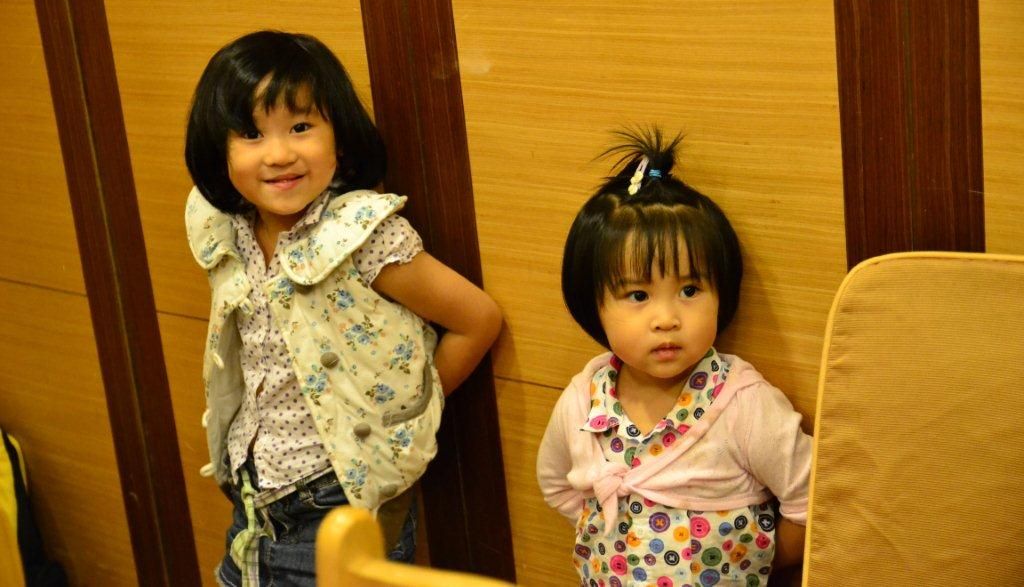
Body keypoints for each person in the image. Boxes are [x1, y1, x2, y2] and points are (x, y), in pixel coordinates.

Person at [184, 30, 502, 587]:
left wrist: (404, 417)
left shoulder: (360, 235)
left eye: (300, 127)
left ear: (341, 139)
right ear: (219, 148)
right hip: (256, 497)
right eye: (251, 134)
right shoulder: (227, 229)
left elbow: (477, 320)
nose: (279, 154)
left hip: (342, 496)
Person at [537, 128, 811, 586]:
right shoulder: (583, 401)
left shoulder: (743, 403)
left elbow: (811, 499)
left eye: (689, 290)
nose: (666, 319)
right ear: (593, 305)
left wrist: (756, 559)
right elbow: (557, 485)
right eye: (638, 295)